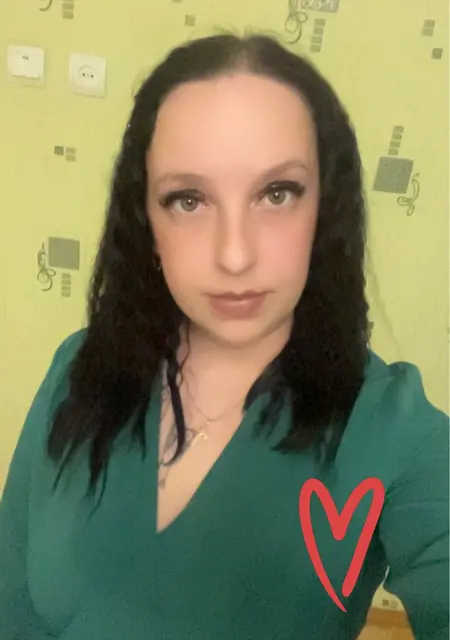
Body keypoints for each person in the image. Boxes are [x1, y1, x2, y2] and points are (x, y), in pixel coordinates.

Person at [0, 33, 448, 640]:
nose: (234, 255)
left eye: (277, 194)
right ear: (146, 221)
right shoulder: (78, 368)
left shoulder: (392, 429)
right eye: (189, 200)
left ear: (324, 210)